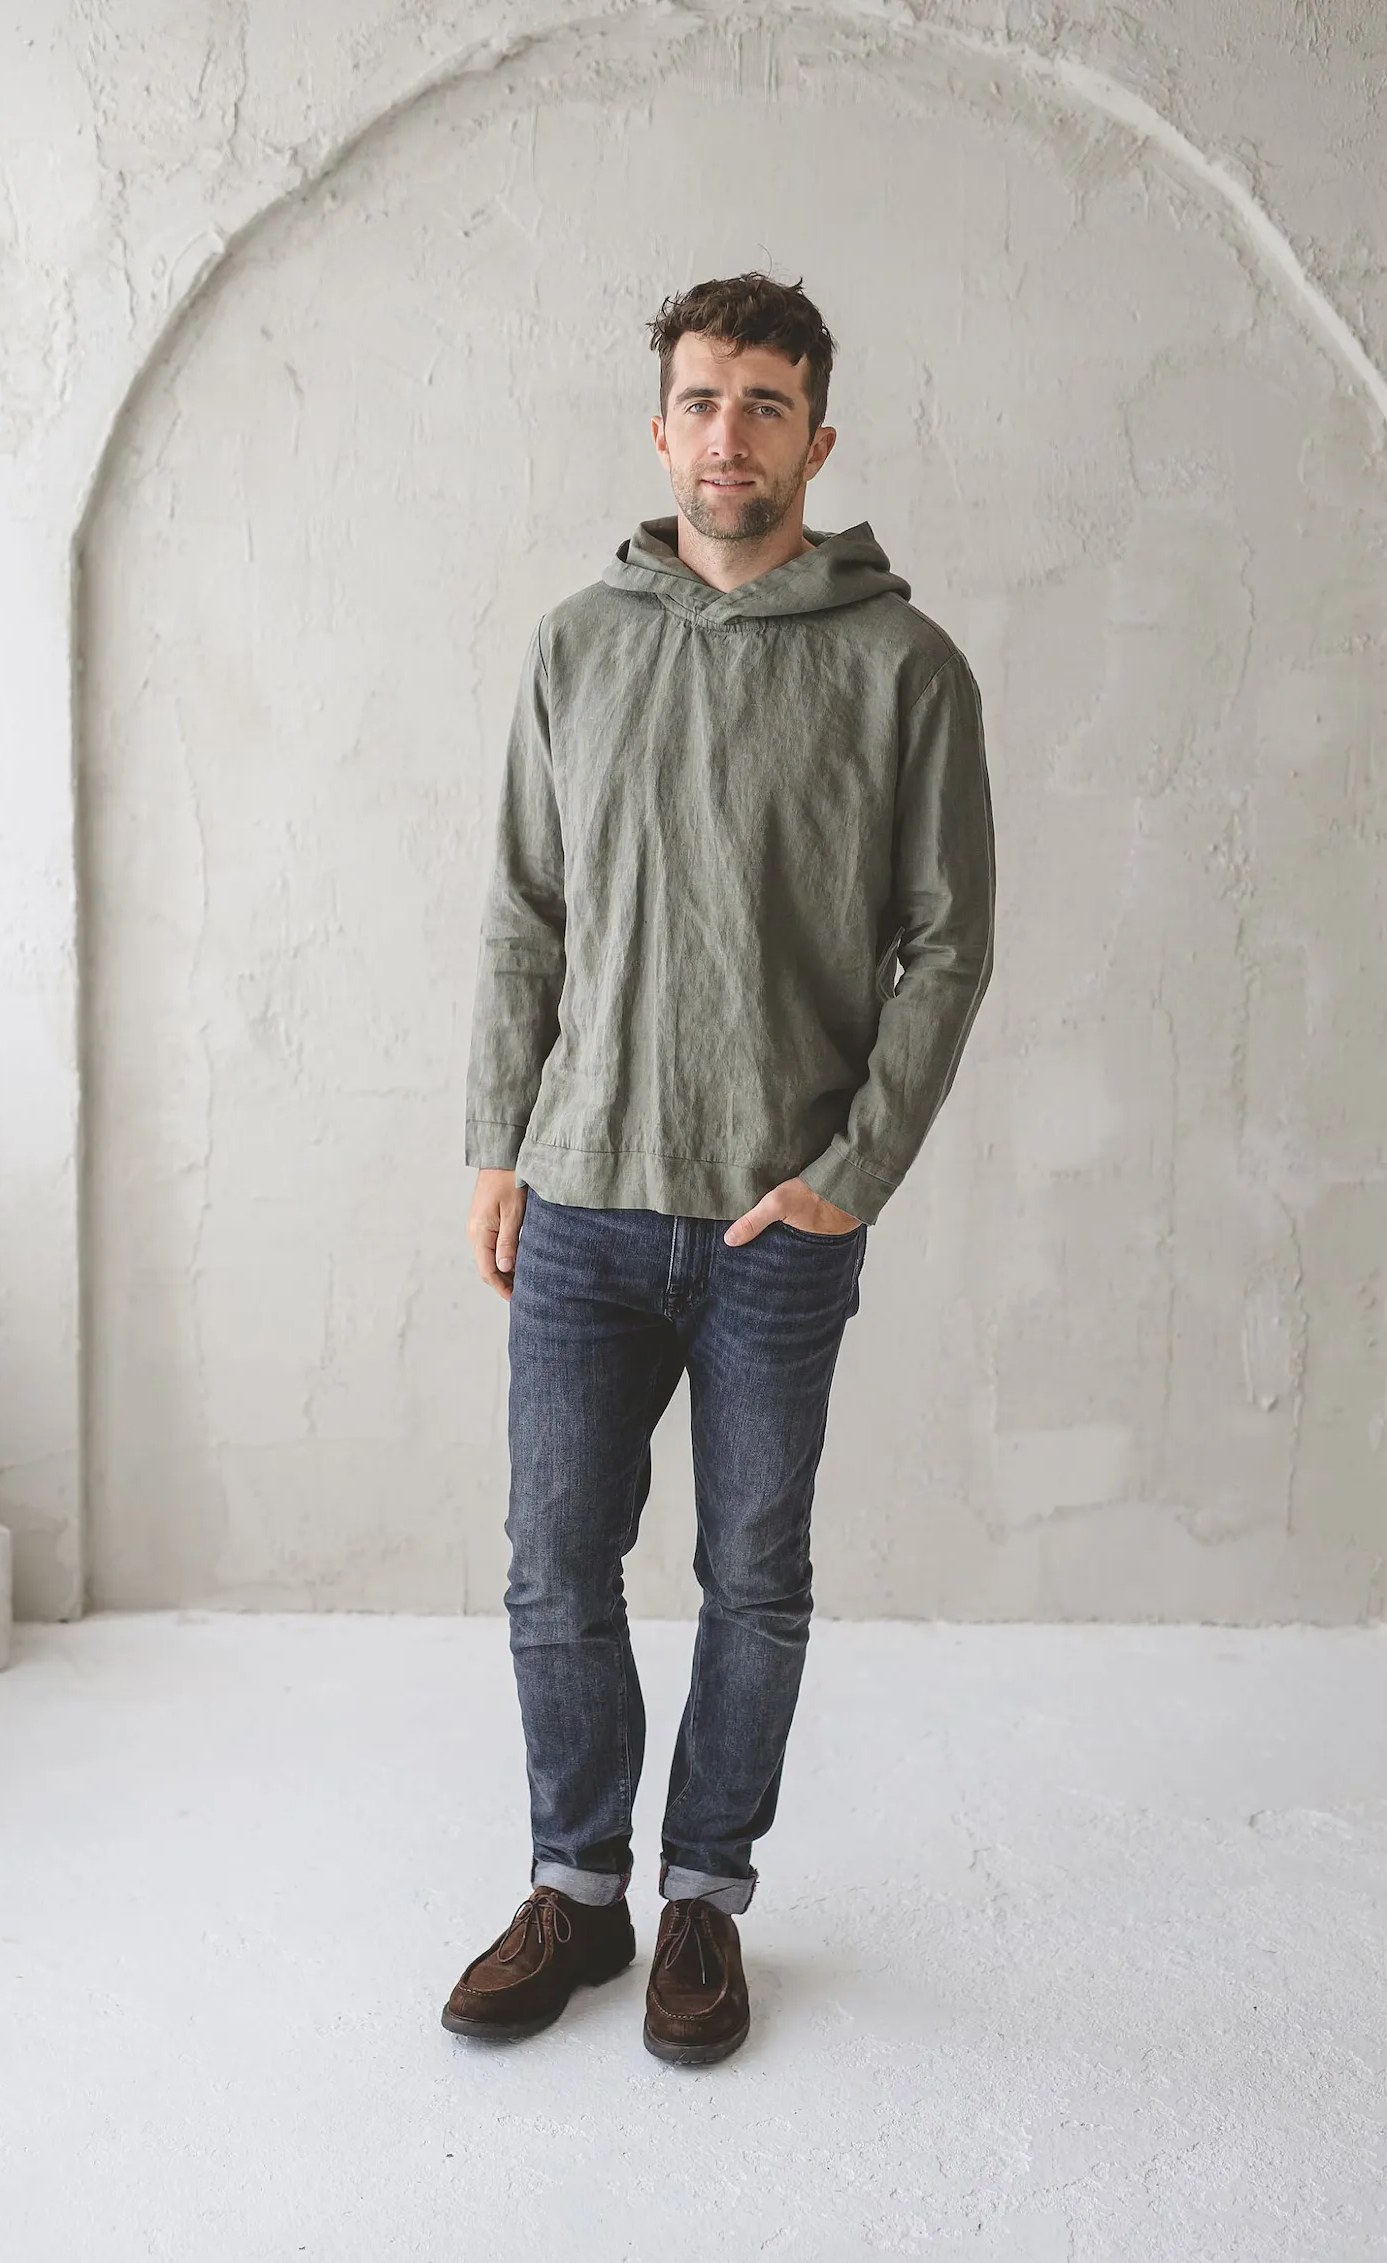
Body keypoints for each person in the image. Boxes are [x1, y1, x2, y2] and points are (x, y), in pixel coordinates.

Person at [445, 271, 996, 2064]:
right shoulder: (575, 647)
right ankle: (578, 1887)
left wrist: (855, 1172)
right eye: (701, 399)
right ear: (659, 427)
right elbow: (523, 913)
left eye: (766, 403)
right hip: (586, 1194)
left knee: (754, 1574)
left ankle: (704, 1897)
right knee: (554, 1561)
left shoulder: (905, 668)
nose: (729, 433)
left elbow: (949, 946)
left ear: (819, 439)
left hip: (778, 1219)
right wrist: (498, 1139)